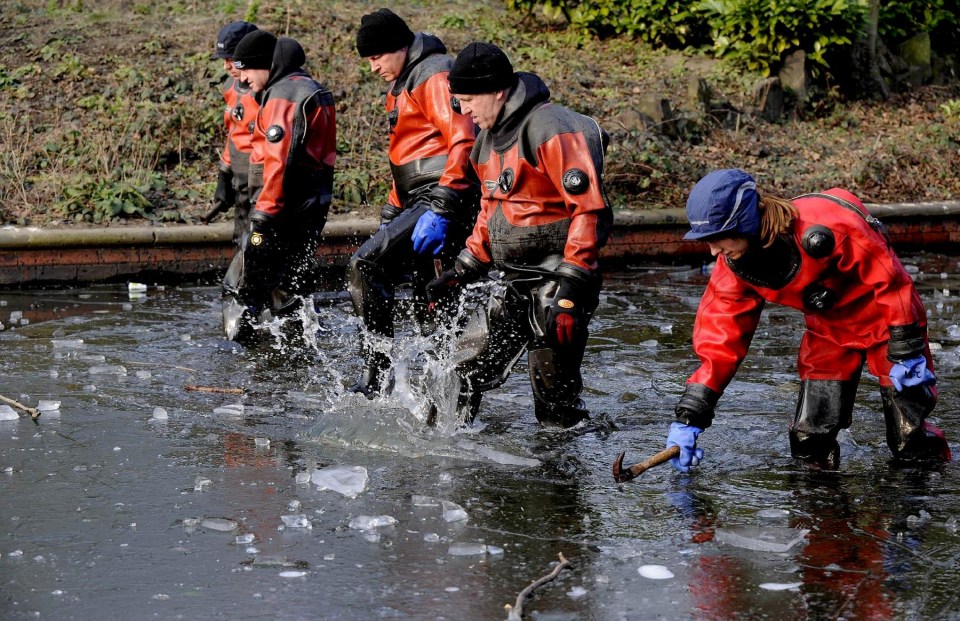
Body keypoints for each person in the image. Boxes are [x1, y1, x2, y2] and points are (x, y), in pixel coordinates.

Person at [665, 168, 951, 471]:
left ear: (745, 225)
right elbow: (718, 343)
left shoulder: (827, 227)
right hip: (829, 329)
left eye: (718, 240)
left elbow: (892, 284)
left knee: (910, 439)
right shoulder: (732, 266)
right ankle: (821, 514)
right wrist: (690, 416)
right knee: (808, 440)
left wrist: (907, 348)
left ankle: (921, 505)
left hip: (888, 321)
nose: (712, 252)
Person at [427, 42, 613, 428]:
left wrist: (573, 285)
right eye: (457, 102)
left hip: (558, 279)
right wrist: (464, 266)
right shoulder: (485, 143)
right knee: (462, 372)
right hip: (514, 280)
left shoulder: (550, 128)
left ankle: (564, 475)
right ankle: (442, 456)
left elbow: (589, 208)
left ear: (497, 91)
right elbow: (491, 211)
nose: (463, 111)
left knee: (554, 403)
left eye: (467, 100)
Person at [346, 8, 480, 396]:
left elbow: (463, 139)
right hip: (418, 198)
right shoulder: (403, 83)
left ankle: (378, 376)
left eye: (376, 58)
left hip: (442, 195)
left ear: (399, 47)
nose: (372, 68)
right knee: (429, 299)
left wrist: (442, 205)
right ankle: (440, 389)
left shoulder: (433, 74)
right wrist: (392, 208)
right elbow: (403, 155)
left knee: (365, 264)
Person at [221, 30, 336, 342]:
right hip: (310, 203)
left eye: (244, 71)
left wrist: (263, 217)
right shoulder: (307, 87)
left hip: (285, 207)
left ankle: (254, 353)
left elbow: (279, 161)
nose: (242, 80)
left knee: (245, 281)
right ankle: (295, 349)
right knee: (290, 281)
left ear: (262, 65)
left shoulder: (283, 95)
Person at [202, 21, 259, 245]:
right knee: (240, 238)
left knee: (256, 240)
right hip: (239, 176)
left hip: (260, 179)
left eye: (231, 59)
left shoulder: (266, 91)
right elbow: (233, 131)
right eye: (224, 60)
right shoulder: (230, 86)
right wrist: (224, 173)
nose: (226, 66)